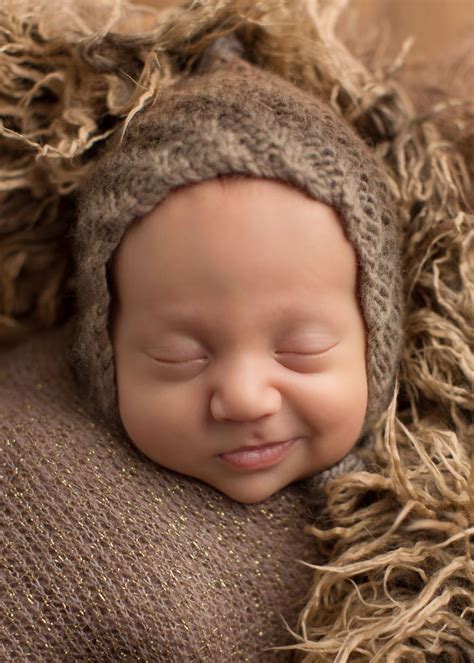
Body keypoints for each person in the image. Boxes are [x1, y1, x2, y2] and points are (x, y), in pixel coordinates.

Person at [70, 34, 404, 505]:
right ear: (104, 350)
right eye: (178, 356)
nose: (246, 399)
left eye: (301, 350)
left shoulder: (424, 495)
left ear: (378, 342)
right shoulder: (60, 487)